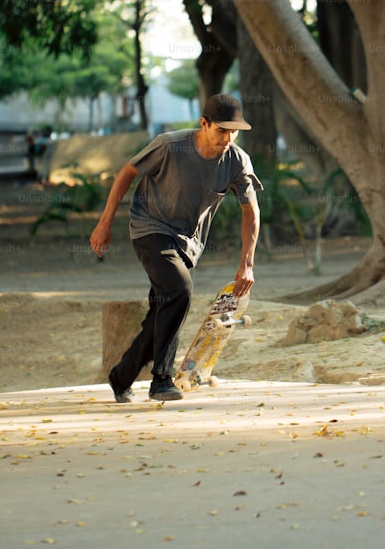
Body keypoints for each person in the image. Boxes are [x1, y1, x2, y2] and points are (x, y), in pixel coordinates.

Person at [90, 94, 262, 402]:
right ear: (204, 124)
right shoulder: (169, 146)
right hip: (149, 228)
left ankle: (121, 377)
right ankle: (161, 380)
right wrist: (104, 223)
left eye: (234, 131)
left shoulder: (237, 161)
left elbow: (251, 211)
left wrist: (247, 264)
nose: (227, 138)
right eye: (221, 130)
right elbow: (127, 173)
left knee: (163, 311)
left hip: (187, 244)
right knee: (180, 291)